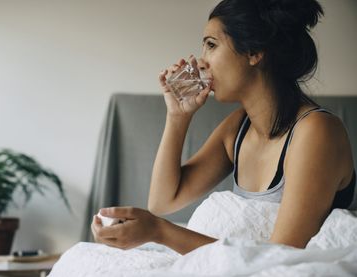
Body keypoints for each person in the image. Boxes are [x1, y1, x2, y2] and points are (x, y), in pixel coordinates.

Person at [91, 0, 355, 255]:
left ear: (254, 53)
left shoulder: (317, 131)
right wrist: (178, 116)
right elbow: (162, 201)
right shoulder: (238, 127)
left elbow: (282, 255)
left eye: (211, 45)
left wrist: (160, 232)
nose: (201, 62)